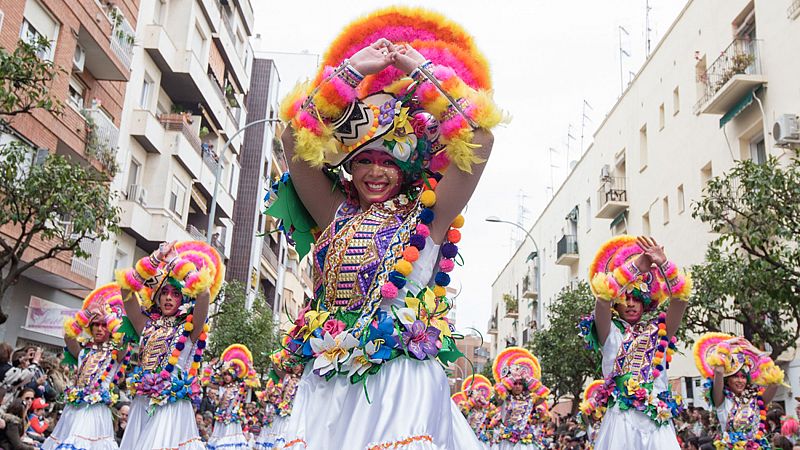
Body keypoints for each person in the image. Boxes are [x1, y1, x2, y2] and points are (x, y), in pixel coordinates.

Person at [270, 6, 503, 449]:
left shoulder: (427, 216)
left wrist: (422, 72)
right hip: (328, 380)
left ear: (411, 168)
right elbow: (291, 140)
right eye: (365, 160)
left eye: (389, 161)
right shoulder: (334, 213)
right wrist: (351, 72)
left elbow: (480, 138)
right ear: (349, 167)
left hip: (401, 382)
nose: (376, 172)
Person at [579, 235, 693, 449]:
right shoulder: (610, 333)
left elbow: (680, 300)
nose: (631, 304)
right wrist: (636, 267)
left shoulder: (659, 331)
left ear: (646, 302)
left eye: (637, 299)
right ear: (618, 303)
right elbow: (602, 301)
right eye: (625, 299)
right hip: (621, 421)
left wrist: (664, 265)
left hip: (657, 421)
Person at [116, 240, 223, 450]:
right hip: (142, 404)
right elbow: (126, 290)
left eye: (175, 294)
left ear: (183, 299)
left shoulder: (191, 328)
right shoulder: (146, 324)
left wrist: (176, 263)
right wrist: (155, 259)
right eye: (164, 292)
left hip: (170, 408)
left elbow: (203, 293)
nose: (168, 298)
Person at [43, 283, 131, 450]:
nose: (99, 328)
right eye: (95, 324)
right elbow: (69, 337)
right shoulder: (84, 351)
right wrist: (88, 313)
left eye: (103, 325)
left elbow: (124, 342)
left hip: (95, 410)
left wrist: (109, 317)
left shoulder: (115, 352)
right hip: (75, 408)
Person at [693, 333, 784, 449]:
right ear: (727, 380)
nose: (740, 381)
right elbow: (719, 371)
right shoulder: (721, 400)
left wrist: (759, 354)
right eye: (736, 376)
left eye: (743, 377)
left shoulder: (756, 400)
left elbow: (775, 382)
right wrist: (725, 345)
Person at [491, 347, 551, 450]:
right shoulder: (505, 398)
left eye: (520, 384)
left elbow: (544, 395)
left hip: (525, 442)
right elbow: (497, 392)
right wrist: (512, 377)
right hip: (507, 442)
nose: (518, 386)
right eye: (515, 384)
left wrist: (527, 378)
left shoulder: (530, 399)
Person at [206, 344, 259, 450]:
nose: (226, 377)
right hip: (221, 417)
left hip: (232, 417)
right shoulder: (220, 386)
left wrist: (250, 368)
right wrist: (209, 366)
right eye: (224, 374)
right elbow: (206, 382)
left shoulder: (240, 386)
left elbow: (254, 383)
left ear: (234, 376)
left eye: (229, 375)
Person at [459, 375, 498, 449]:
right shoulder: (466, 409)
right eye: (477, 399)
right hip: (468, 441)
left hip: (482, 443)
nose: (479, 401)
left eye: (482, 398)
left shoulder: (488, 411)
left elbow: (493, 424)